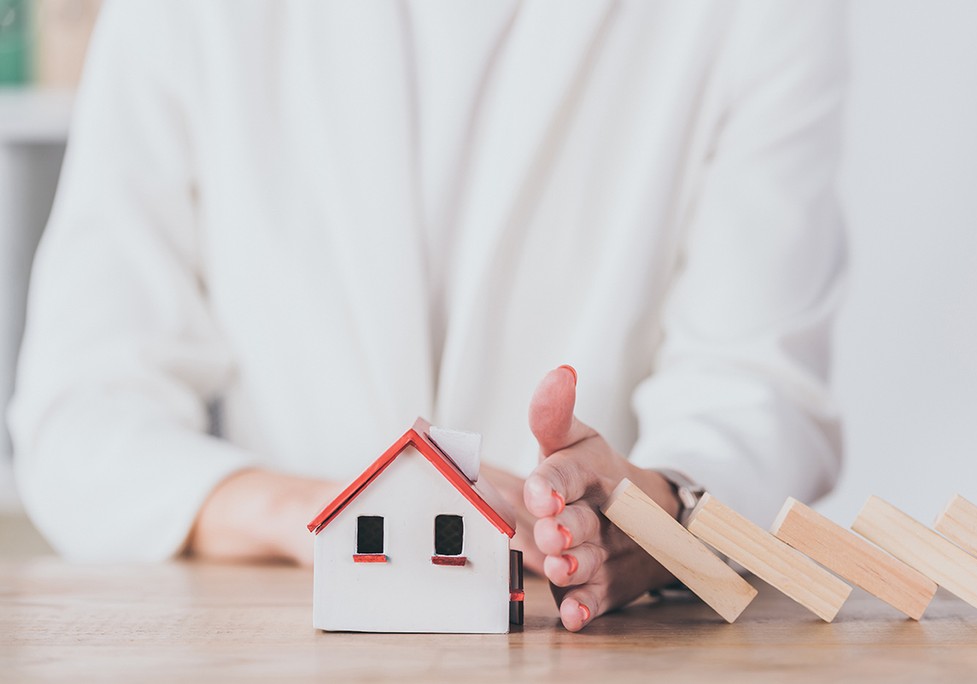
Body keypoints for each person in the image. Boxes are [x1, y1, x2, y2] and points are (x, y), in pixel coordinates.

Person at [8, 0, 846, 632]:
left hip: (593, 641)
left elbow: (756, 387)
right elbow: (81, 415)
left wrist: (647, 515)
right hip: (290, 638)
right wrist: (329, 516)